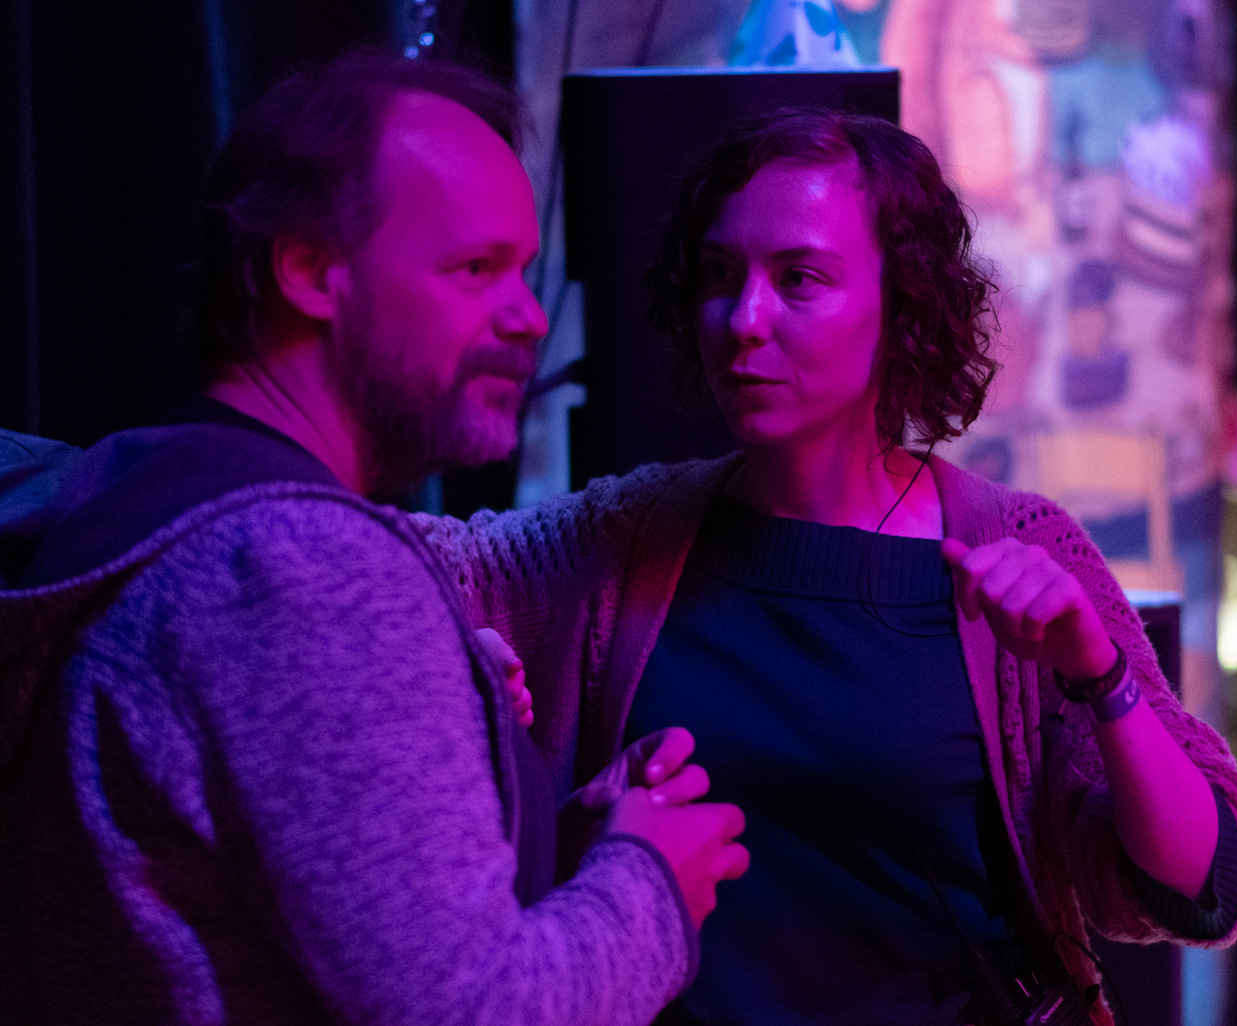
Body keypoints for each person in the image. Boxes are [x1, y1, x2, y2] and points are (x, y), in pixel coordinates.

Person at [419, 108, 1237, 1026]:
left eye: (799, 280)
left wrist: (1098, 676)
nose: (744, 321)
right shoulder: (625, 539)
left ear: (902, 307)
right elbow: (383, 562)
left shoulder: (1010, 543)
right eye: (719, 275)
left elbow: (1200, 885)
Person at [0, 53, 748, 1025]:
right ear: (310, 270)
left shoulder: (147, 499)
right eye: (475, 269)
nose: (527, 318)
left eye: (523, 273)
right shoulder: (304, 566)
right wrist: (650, 876)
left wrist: (557, 852)